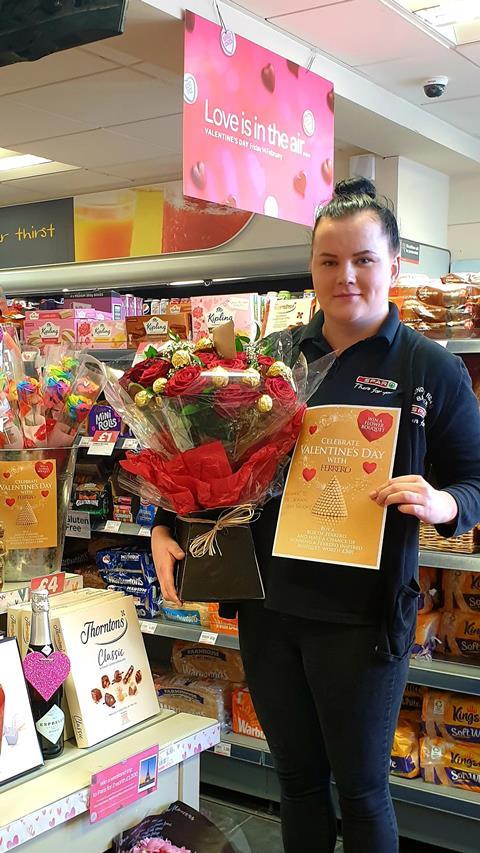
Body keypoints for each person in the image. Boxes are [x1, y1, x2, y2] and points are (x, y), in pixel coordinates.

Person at [151, 178, 480, 853]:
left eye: (363, 260)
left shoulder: (430, 369)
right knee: (295, 781)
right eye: (329, 261)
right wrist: (164, 525)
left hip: (362, 622)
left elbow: (477, 478)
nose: (347, 276)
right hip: (270, 610)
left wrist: (445, 502)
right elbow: (203, 452)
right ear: (312, 269)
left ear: (392, 266)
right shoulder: (271, 360)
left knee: (361, 791)